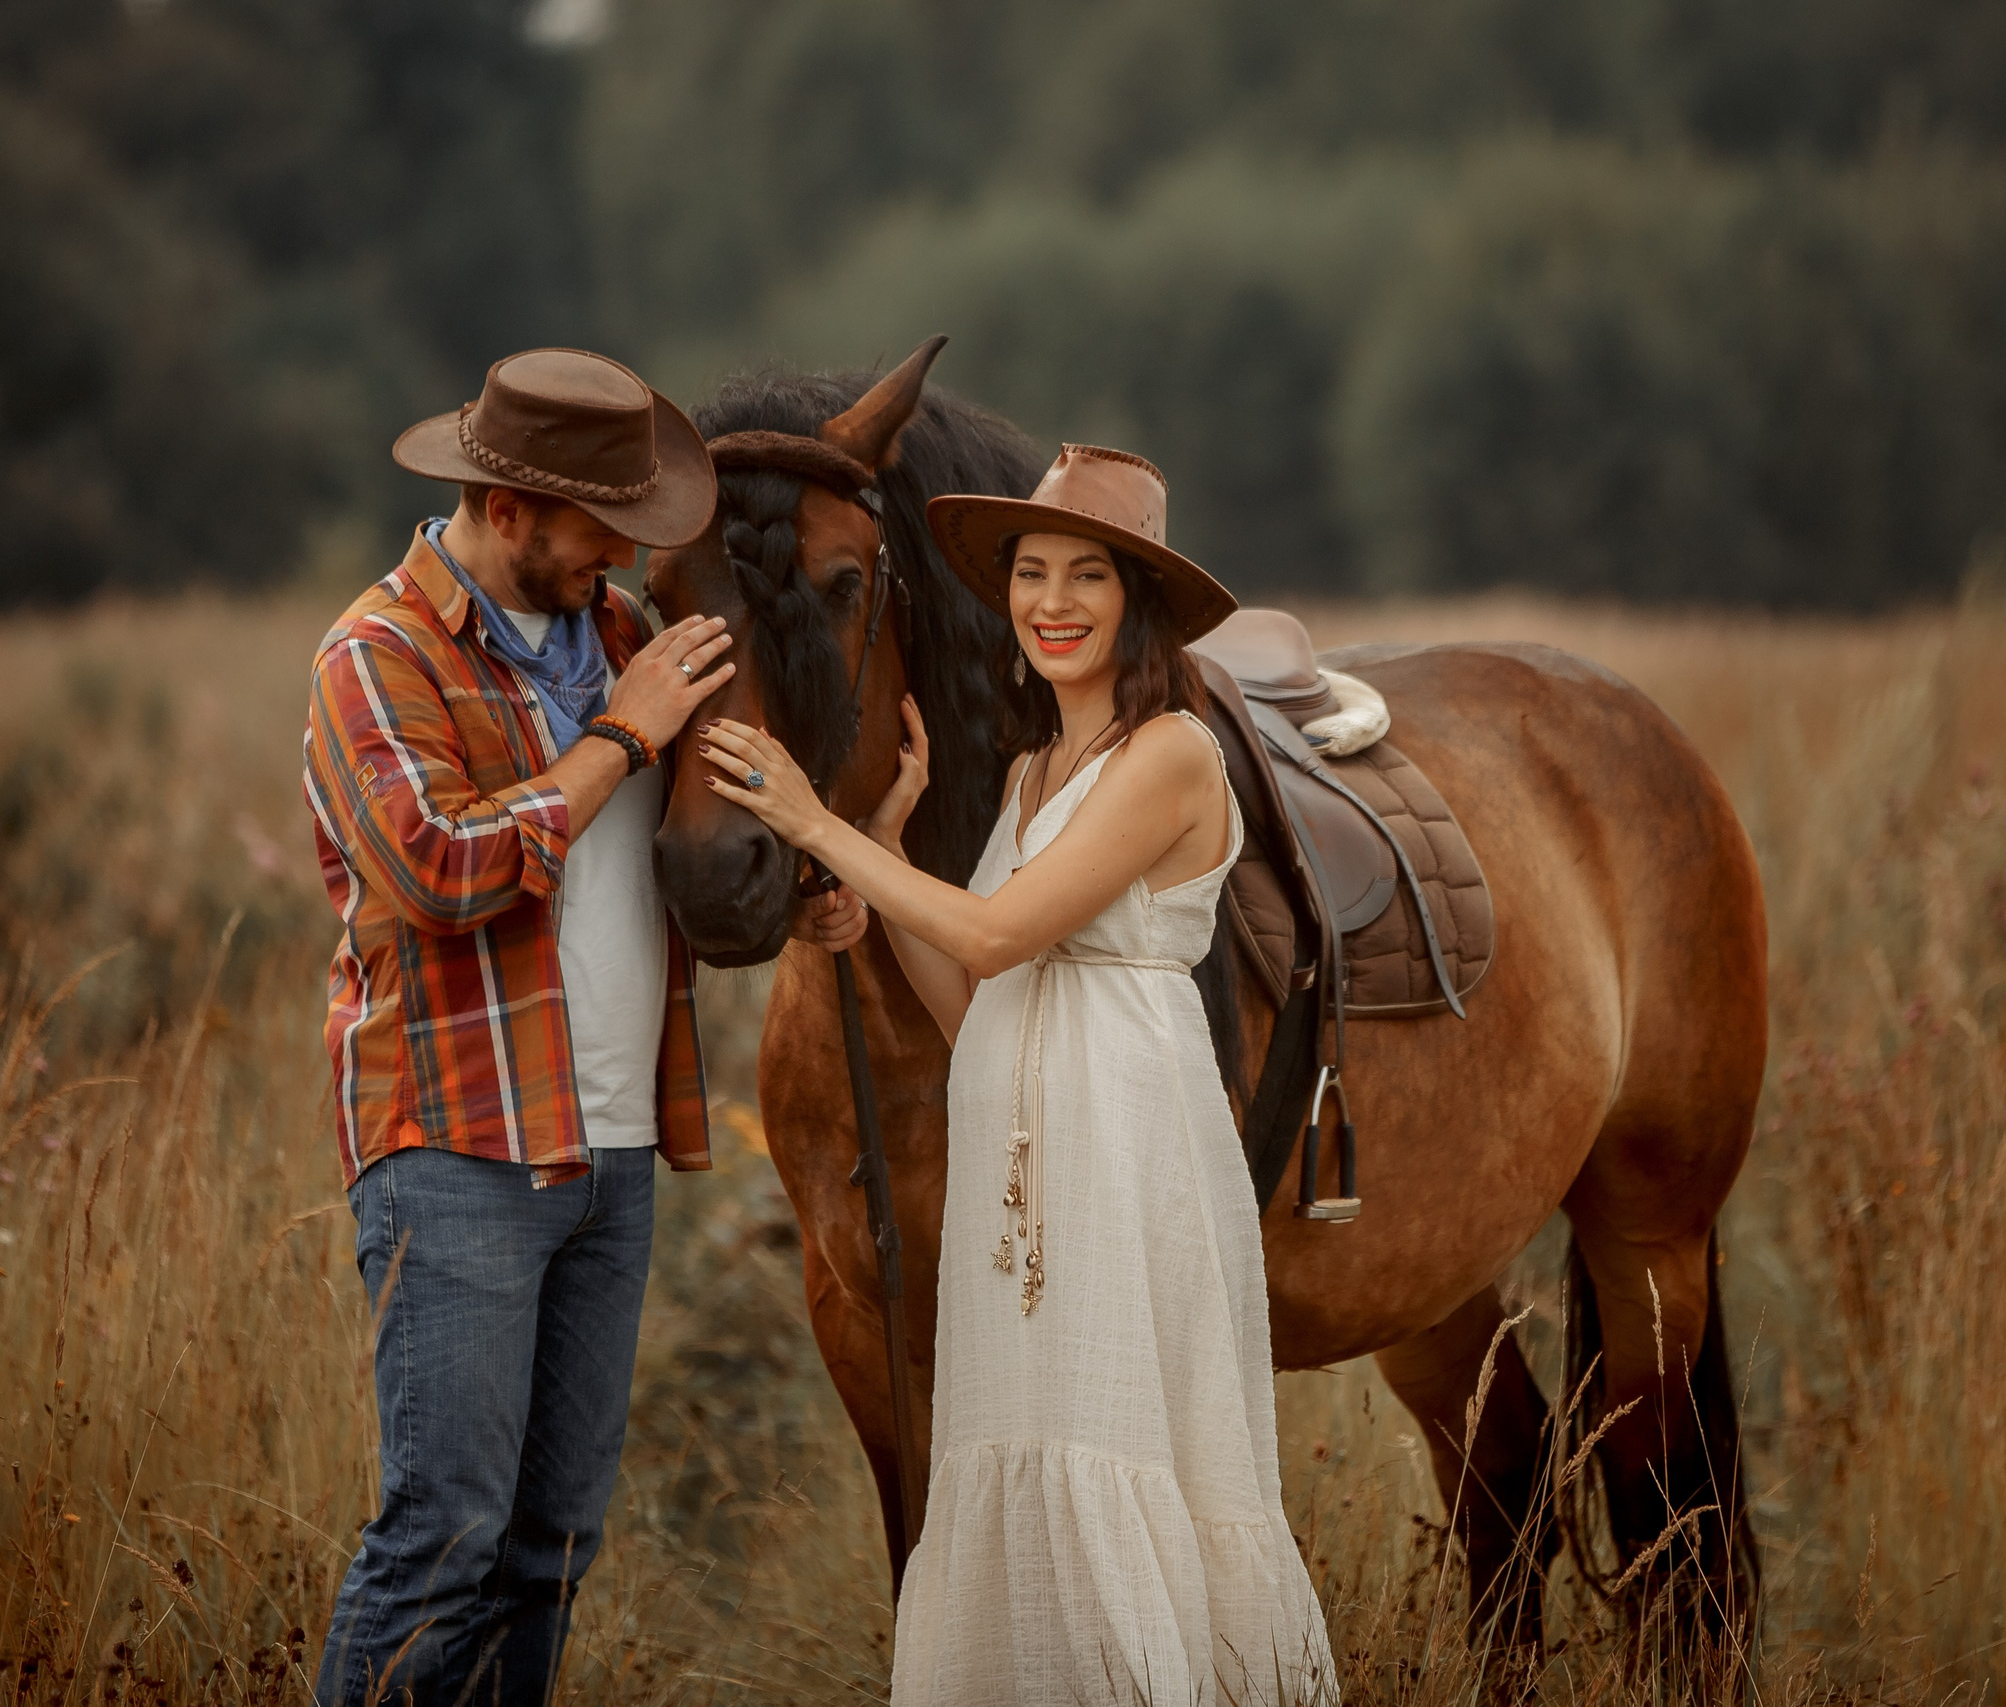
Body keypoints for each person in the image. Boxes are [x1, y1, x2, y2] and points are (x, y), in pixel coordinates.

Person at [701, 444, 1337, 1704]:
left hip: (1119, 1137)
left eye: (1085, 575)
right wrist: (882, 855)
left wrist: (814, 820)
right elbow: (979, 1001)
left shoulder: (1167, 756)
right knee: (1026, 1450)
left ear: (1136, 599)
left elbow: (998, 930)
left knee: (1110, 1445)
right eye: (1029, 573)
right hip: (1030, 1154)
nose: (1051, 601)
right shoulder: (1036, 769)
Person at [302, 348, 866, 1706]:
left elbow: (685, 834)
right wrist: (618, 735)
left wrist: (816, 880)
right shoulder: (373, 656)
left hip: (612, 1148)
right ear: (509, 511)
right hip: (458, 1142)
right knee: (441, 1533)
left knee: (550, 1546)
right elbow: (436, 867)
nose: (625, 551)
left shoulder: (616, 632)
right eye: (601, 526)